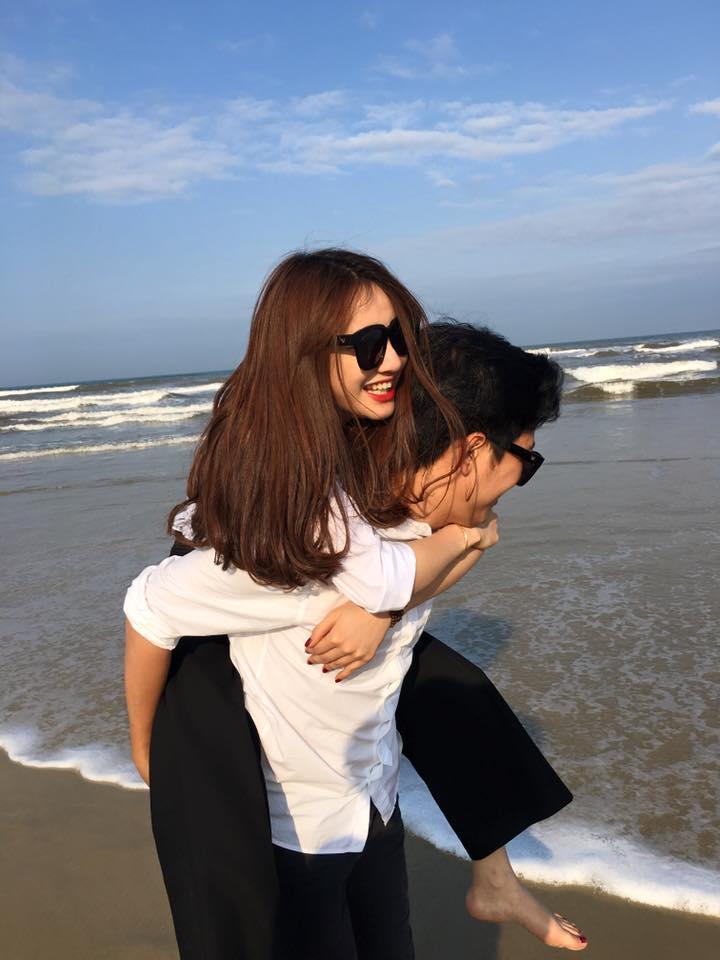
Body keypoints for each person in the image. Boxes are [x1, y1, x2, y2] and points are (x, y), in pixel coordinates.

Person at [125, 256, 586, 955]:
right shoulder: (301, 553)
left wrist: (391, 607)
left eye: (400, 340)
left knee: (446, 684)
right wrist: (147, 747)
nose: (392, 359)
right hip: (295, 837)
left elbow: (450, 552)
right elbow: (150, 606)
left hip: (373, 806)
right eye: (526, 461)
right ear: (470, 451)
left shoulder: (410, 526)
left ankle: (495, 877)